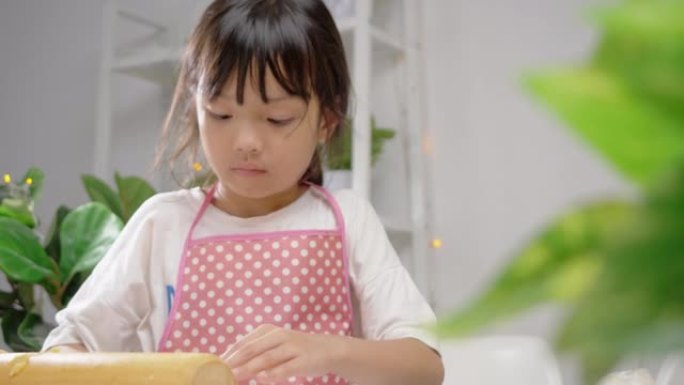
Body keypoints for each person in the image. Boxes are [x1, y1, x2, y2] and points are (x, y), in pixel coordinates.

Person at [43, 1, 444, 384]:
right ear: (194, 110)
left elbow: (424, 366)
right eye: (221, 114)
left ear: (327, 120)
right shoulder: (163, 223)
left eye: (276, 118)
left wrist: (328, 351)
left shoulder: (347, 219)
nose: (247, 141)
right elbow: (64, 352)